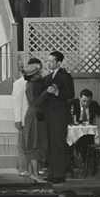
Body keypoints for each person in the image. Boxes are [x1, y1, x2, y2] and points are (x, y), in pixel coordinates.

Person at [42, 51, 75, 184]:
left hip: (60, 116)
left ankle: (60, 175)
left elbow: (70, 94)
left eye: (51, 61)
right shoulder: (48, 77)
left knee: (59, 145)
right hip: (49, 116)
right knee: (51, 145)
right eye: (48, 60)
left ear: (59, 63)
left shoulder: (65, 76)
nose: (48, 63)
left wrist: (57, 92)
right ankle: (52, 173)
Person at [12, 58, 43, 178]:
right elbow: (16, 102)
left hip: (35, 118)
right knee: (23, 145)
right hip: (25, 117)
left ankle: (33, 170)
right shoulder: (19, 83)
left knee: (33, 144)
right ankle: (22, 168)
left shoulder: (38, 83)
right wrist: (17, 119)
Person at [22, 62, 49, 182]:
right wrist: (47, 92)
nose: (40, 74)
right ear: (32, 76)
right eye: (37, 73)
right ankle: (35, 174)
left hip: (38, 115)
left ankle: (35, 173)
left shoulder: (35, 83)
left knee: (37, 144)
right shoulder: (31, 86)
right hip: (34, 116)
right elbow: (35, 102)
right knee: (34, 145)